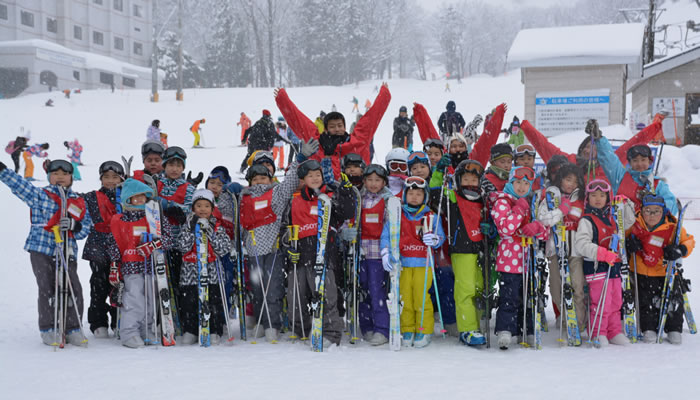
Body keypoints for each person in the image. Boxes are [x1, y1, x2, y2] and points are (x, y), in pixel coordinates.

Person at [0, 159, 92, 346]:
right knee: (47, 288)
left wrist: (75, 225)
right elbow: (19, 185)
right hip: (42, 248)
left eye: (64, 174)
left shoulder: (79, 202)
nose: (60, 177)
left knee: (73, 288)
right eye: (55, 173)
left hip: (67, 250)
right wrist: (3, 171)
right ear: (49, 177)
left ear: (71, 177)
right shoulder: (40, 196)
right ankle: (48, 328)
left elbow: (85, 229)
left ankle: (73, 328)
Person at [239, 139, 314, 341]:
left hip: (273, 250)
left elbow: (290, 180)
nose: (260, 182)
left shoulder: (276, 195)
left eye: (264, 178)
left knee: (273, 289)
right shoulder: (243, 198)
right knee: (256, 289)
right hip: (253, 251)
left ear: (270, 179)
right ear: (249, 182)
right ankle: (262, 321)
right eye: (256, 179)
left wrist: (300, 158)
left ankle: (273, 323)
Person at [286, 159, 356, 349]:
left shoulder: (330, 196)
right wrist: (289, 247)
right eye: (310, 176)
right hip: (301, 254)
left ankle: (331, 333)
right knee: (296, 295)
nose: (315, 178)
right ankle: (302, 328)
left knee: (327, 295)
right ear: (303, 179)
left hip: (325, 253)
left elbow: (347, 212)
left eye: (318, 175)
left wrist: (347, 191)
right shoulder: (295, 200)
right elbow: (287, 228)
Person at [105, 178, 175, 348]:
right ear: (128, 199)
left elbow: (169, 239)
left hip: (151, 266)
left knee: (151, 300)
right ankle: (129, 332)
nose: (139, 201)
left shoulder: (154, 216)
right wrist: (114, 266)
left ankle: (146, 329)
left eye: (143, 197)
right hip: (131, 265)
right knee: (134, 299)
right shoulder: (119, 220)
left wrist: (153, 244)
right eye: (135, 198)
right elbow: (113, 244)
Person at [274, 83, 391, 180]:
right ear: (326, 129)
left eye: (340, 125)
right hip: (323, 195)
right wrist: (282, 99)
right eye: (332, 126)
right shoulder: (317, 143)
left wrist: (384, 95)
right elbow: (299, 120)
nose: (337, 129)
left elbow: (371, 118)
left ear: (345, 127)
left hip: (355, 193)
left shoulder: (357, 142)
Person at [381, 176, 445, 348]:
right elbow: (387, 234)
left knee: (421, 299)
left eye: (418, 194)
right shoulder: (397, 214)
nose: (414, 197)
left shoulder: (429, 215)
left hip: (423, 264)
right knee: (404, 299)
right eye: (411, 193)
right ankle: (407, 329)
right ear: (404, 195)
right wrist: (385, 252)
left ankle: (423, 329)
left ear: (424, 196)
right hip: (402, 264)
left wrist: (435, 239)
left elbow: (440, 236)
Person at [490, 166, 548, 350]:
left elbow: (544, 233)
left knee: (529, 295)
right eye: (518, 183)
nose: (522, 187)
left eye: (526, 183)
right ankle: (506, 329)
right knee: (510, 295)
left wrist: (537, 228)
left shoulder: (532, 202)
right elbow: (505, 228)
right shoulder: (503, 201)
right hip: (510, 257)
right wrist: (518, 210)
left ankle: (527, 328)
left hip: (528, 257)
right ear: (510, 183)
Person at [627, 193, 695, 344]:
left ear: (663, 211)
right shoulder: (634, 224)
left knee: (673, 300)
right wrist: (628, 245)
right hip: (642, 271)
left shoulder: (672, 226)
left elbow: (689, 240)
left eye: (656, 211)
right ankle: (649, 327)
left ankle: (674, 328)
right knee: (646, 302)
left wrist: (681, 250)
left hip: (666, 271)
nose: (651, 215)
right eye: (648, 211)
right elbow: (621, 238)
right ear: (642, 211)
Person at [574, 179, 635, 347]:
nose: (598, 199)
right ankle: (598, 332)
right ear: (588, 198)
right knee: (601, 302)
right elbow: (581, 245)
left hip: (614, 267)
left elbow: (629, 222)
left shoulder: (613, 217)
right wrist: (603, 254)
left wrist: (626, 203)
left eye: (602, 195)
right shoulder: (587, 220)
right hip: (597, 268)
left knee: (616, 302)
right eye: (594, 195)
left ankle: (614, 331)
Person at [520, 114, 666, 185]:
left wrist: (654, 128)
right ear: (580, 149)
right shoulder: (568, 161)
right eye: (586, 147)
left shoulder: (608, 164)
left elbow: (631, 145)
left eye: (594, 147)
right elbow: (544, 145)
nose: (589, 150)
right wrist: (525, 126)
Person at [436, 160, 487, 346]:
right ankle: (467, 328)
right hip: (462, 249)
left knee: (480, 288)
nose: (470, 183)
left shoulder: (484, 199)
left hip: (481, 249)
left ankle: (477, 323)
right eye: (466, 178)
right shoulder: (452, 197)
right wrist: (438, 173)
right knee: (465, 289)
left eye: (474, 179)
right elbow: (435, 195)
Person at [536, 162, 588, 334]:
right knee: (556, 288)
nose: (571, 184)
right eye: (567, 179)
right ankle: (566, 318)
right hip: (555, 250)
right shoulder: (550, 198)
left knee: (577, 287)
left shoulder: (582, 200)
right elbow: (543, 220)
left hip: (576, 251)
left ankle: (578, 324)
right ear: (560, 180)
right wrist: (560, 210)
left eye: (575, 180)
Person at [176, 189, 232, 345]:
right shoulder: (187, 225)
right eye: (199, 205)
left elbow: (223, 248)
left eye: (206, 206)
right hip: (190, 272)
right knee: (190, 303)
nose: (202, 209)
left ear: (212, 209)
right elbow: (182, 246)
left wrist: (211, 234)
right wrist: (192, 231)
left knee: (213, 302)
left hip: (212, 271)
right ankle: (191, 330)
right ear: (193, 208)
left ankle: (214, 329)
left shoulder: (217, 226)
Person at [82, 161, 125, 338]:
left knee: (120, 284)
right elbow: (76, 206)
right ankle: (98, 321)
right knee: (98, 284)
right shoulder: (92, 197)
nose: (110, 181)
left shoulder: (127, 195)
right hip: (98, 244)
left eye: (115, 177)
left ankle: (118, 320)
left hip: (121, 243)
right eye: (106, 177)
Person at [356, 164, 393, 345]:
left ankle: (382, 329)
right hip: (362, 252)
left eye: (377, 180)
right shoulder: (359, 198)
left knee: (378, 292)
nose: (373, 184)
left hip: (378, 254)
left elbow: (392, 228)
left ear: (384, 182)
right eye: (369, 180)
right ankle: (366, 326)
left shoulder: (388, 201)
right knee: (363, 291)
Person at [595, 137, 678, 215]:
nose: (639, 164)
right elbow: (609, 160)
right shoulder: (620, 177)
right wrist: (600, 139)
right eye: (635, 160)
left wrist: (654, 203)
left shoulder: (658, 185)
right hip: (623, 227)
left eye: (643, 160)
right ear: (630, 163)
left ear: (649, 161)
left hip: (647, 228)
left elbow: (671, 205)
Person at [240, 110, 277, 174]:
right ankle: (263, 170)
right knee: (263, 157)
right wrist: (270, 145)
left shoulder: (258, 122)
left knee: (250, 155)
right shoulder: (269, 124)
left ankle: (243, 168)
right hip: (263, 144)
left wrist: (244, 139)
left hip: (252, 142)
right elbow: (272, 135)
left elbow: (248, 130)